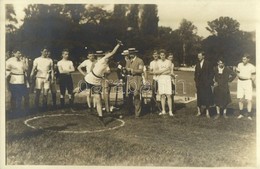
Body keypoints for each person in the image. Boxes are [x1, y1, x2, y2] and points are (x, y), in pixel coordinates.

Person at [79, 40, 122, 125]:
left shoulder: (106, 65)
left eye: (111, 56)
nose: (110, 56)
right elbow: (113, 52)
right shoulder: (103, 59)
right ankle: (72, 94)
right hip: (88, 79)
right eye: (109, 55)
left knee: (98, 99)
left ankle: (101, 117)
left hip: (96, 82)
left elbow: (106, 73)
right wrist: (118, 44)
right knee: (78, 90)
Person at [194, 52, 214, 118]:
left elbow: (211, 74)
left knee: (207, 98)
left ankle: (207, 113)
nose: (198, 57)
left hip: (206, 84)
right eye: (198, 56)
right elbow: (195, 74)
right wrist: (196, 82)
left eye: (199, 56)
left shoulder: (208, 64)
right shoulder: (197, 64)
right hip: (199, 85)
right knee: (199, 98)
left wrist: (209, 82)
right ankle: (199, 112)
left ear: (203, 56)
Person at [236, 54, 256, 120]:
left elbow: (253, 77)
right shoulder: (239, 65)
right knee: (240, 99)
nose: (243, 60)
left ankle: (249, 115)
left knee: (249, 99)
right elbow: (238, 75)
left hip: (248, 83)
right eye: (242, 59)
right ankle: (241, 114)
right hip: (240, 83)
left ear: (248, 59)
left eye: (244, 59)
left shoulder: (252, 67)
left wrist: (253, 82)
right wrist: (247, 77)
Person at [154, 49, 173, 116]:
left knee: (169, 95)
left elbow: (169, 71)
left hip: (167, 79)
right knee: (162, 95)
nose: (162, 56)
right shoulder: (157, 62)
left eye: (163, 55)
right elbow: (155, 72)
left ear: (165, 55)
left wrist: (161, 72)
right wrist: (164, 70)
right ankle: (163, 110)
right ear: (159, 55)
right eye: (161, 55)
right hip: (161, 79)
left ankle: (170, 111)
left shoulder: (168, 62)